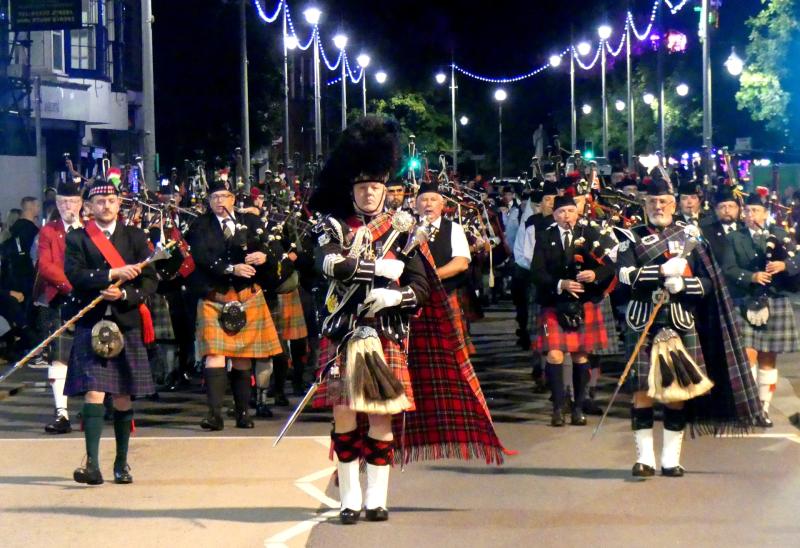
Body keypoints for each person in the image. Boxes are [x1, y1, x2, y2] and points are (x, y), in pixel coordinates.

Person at [309, 116, 507, 525]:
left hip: (386, 332)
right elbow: (329, 263)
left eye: (376, 187)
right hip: (344, 332)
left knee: (382, 415)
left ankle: (376, 500)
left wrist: (394, 293)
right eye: (362, 186)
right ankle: (348, 500)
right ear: (351, 189)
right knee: (345, 415)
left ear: (386, 190)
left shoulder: (405, 232)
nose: (368, 193)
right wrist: (378, 270)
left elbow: (422, 286)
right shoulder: (332, 225)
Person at [614, 174, 762, 478]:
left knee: (677, 393)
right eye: (652, 201)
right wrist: (660, 271)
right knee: (642, 391)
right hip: (644, 320)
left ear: (673, 204)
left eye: (664, 201)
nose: (658, 206)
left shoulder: (689, 237)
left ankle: (671, 460)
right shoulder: (631, 236)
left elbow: (709, 283)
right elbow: (625, 276)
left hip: (679, 321)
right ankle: (645, 459)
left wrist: (683, 283)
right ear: (644, 204)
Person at [64, 180, 158, 485]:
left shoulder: (134, 236)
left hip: (125, 321)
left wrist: (126, 296)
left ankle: (121, 463)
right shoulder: (78, 237)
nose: (107, 206)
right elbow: (74, 274)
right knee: (94, 391)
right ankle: (92, 464)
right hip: (92, 323)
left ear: (119, 205)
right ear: (88, 207)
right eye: (100, 202)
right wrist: (110, 274)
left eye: (113, 201)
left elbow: (150, 280)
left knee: (122, 396)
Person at [187, 177, 283, 430]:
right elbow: (200, 256)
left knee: (243, 358)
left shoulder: (250, 221)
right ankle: (214, 415)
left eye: (225, 197)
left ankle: (243, 414)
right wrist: (231, 268)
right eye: (215, 197)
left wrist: (265, 255)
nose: (220, 201)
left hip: (247, 296)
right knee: (214, 355)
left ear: (233, 199)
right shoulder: (200, 225)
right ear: (209, 202)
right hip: (215, 296)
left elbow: (273, 247)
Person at [531, 195, 614, 426]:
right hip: (554, 302)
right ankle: (558, 408)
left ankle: (578, 408)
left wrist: (594, 274)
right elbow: (537, 272)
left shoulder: (590, 235)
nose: (565, 216)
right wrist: (561, 284)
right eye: (560, 212)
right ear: (554, 215)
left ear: (576, 213)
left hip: (584, 302)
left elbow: (609, 265)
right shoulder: (545, 237)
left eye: (569, 211)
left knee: (581, 355)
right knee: (554, 354)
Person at [724, 193, 800, 427]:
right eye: (747, 211)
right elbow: (728, 268)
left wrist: (785, 264)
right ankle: (748, 406)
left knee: (769, 357)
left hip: (775, 299)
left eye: (755, 211)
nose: (750, 215)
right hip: (746, 300)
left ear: (765, 213)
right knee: (748, 356)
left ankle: (763, 408)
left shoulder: (779, 235)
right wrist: (752, 276)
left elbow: (797, 260)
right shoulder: (735, 238)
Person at [32, 181, 83, 434]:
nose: (67, 207)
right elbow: (46, 265)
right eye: (62, 202)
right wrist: (71, 286)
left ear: (81, 204)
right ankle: (61, 413)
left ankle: (94, 407)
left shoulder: (90, 229)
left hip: (89, 298)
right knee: (59, 356)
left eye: (72, 202)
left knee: (94, 353)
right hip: (61, 298)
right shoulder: (48, 232)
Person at [416, 181, 474, 354]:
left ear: (442, 205)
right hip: (416, 299)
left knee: (453, 352)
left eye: (433, 200)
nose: (428, 204)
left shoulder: (454, 229)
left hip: (445, 295)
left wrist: (430, 277)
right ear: (416, 204)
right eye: (424, 200)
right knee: (419, 351)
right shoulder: (408, 229)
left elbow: (461, 263)